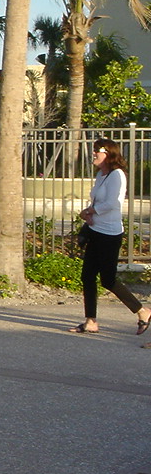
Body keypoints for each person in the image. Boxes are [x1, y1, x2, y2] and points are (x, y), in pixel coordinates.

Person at [72, 138, 151, 335]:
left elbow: (113, 204)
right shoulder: (101, 175)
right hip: (95, 231)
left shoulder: (117, 175)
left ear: (107, 153)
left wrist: (90, 212)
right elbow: (99, 202)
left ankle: (142, 311)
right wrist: (90, 216)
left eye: (97, 150)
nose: (93, 154)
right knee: (87, 276)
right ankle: (90, 321)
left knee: (108, 280)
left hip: (109, 235)